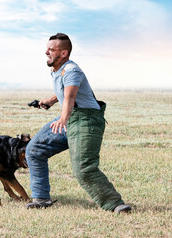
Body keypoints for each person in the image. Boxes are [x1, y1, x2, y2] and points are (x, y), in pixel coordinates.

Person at [26, 33, 131, 213]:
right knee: (34, 150)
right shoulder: (56, 70)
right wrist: (50, 100)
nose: (46, 52)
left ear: (64, 53)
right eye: (47, 48)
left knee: (83, 168)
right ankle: (41, 198)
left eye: (51, 49)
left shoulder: (71, 70)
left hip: (86, 120)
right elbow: (64, 92)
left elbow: (71, 96)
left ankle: (115, 204)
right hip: (71, 118)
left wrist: (63, 118)